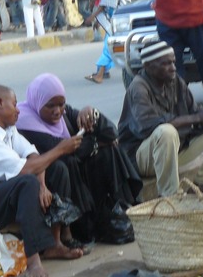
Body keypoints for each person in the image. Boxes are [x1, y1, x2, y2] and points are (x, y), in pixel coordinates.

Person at [0, 85, 84, 277]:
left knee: (56, 170)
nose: (18, 109)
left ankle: (54, 244)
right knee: (27, 183)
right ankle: (33, 261)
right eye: (14, 104)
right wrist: (60, 149)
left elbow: (32, 154)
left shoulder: (8, 128)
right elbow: (24, 170)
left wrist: (43, 185)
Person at [16, 74, 142, 243]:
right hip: (56, 177)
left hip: (80, 167)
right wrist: (96, 143)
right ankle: (85, 226)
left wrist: (91, 112)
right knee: (68, 162)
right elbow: (66, 148)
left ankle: (122, 207)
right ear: (38, 102)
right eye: (50, 106)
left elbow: (111, 134)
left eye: (61, 105)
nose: (57, 111)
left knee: (111, 151)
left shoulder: (65, 113)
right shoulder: (26, 123)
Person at [118, 40, 203, 197]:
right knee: (166, 131)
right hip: (142, 159)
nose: (173, 68)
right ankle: (171, 196)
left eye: (173, 62)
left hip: (174, 151)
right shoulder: (138, 88)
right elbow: (148, 126)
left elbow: (195, 112)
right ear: (148, 66)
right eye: (166, 64)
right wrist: (198, 118)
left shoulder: (175, 81)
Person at [84, 0, 130, 83]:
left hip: (117, 17)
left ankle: (100, 74)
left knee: (109, 44)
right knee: (109, 43)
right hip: (114, 17)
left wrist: (93, 16)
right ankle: (101, 71)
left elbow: (108, 1)